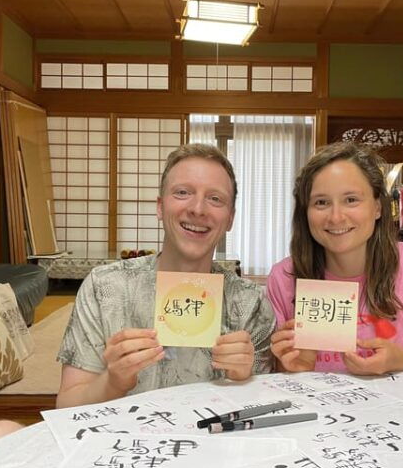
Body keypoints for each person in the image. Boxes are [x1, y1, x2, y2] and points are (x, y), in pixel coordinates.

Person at [55, 143, 275, 408]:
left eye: (215, 198)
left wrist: (243, 379)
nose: (198, 208)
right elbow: (66, 407)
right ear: (160, 207)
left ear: (230, 218)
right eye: (182, 192)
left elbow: (264, 416)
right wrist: (113, 381)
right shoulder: (105, 287)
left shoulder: (250, 302)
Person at [267, 141, 403, 376]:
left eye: (351, 199)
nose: (336, 217)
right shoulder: (284, 277)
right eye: (321, 202)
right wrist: (291, 368)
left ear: (377, 207)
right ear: (305, 213)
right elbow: (274, 386)